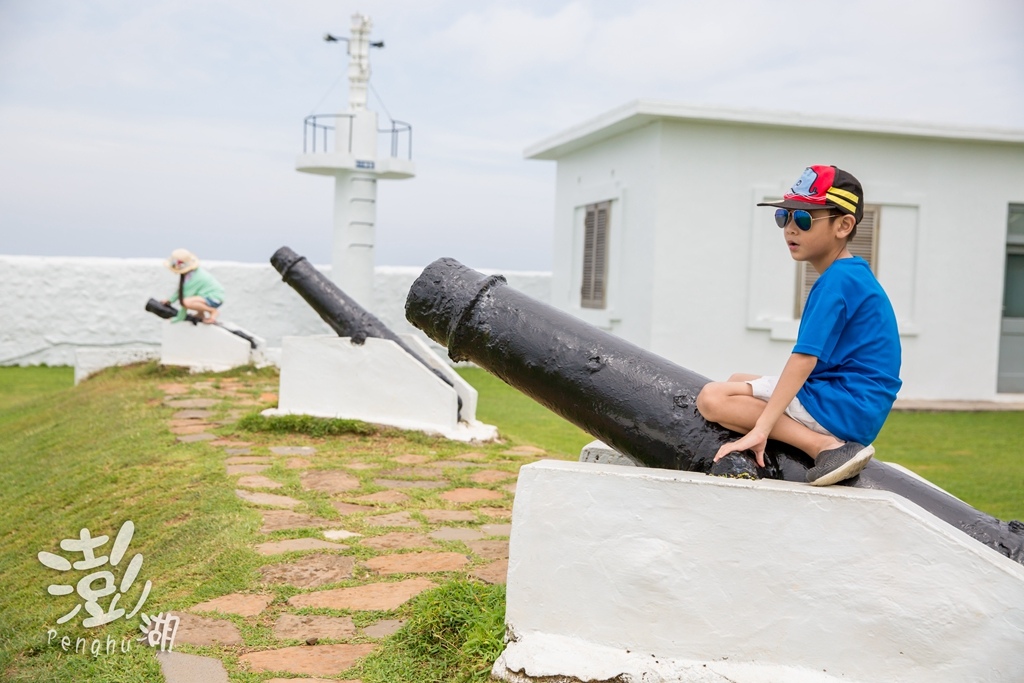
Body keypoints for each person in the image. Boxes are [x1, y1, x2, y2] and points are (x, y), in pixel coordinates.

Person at [696, 165, 902, 486]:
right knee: (737, 380)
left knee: (713, 399)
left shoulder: (837, 282)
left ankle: (825, 447)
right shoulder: (850, 274)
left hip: (843, 406)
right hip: (854, 401)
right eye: (784, 217)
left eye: (804, 219)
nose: (790, 229)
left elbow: (804, 359)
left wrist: (762, 428)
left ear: (844, 225)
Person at [162, 248, 226, 324]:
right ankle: (200, 314)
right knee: (196, 294)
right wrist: (170, 300)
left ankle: (212, 312)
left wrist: (179, 318)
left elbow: (184, 300)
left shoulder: (195, 278)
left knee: (187, 302)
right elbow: (181, 290)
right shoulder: (190, 274)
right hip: (206, 295)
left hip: (214, 298)